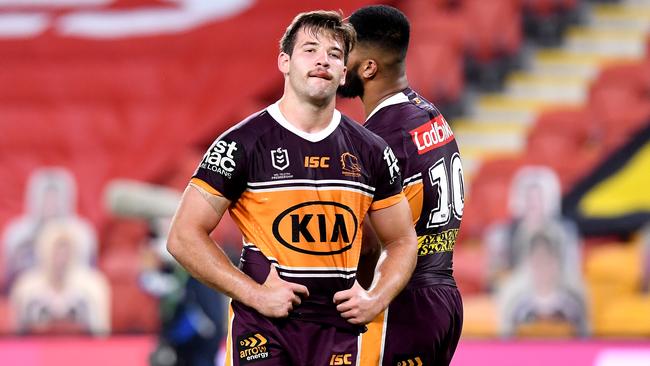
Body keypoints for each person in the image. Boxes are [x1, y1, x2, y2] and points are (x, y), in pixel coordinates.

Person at [166, 10, 418, 366]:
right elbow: (182, 236)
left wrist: (375, 298)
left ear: (344, 72)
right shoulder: (242, 144)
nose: (322, 60)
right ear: (284, 61)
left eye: (334, 54)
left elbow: (403, 240)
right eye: (310, 49)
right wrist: (253, 293)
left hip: (337, 334)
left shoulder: (372, 152)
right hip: (263, 330)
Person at [338, 5, 464, 365]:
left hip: (401, 303)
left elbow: (368, 246)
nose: (337, 63)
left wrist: (352, 301)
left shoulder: (381, 138)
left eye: (345, 52)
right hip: (443, 295)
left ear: (369, 67)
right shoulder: (430, 113)